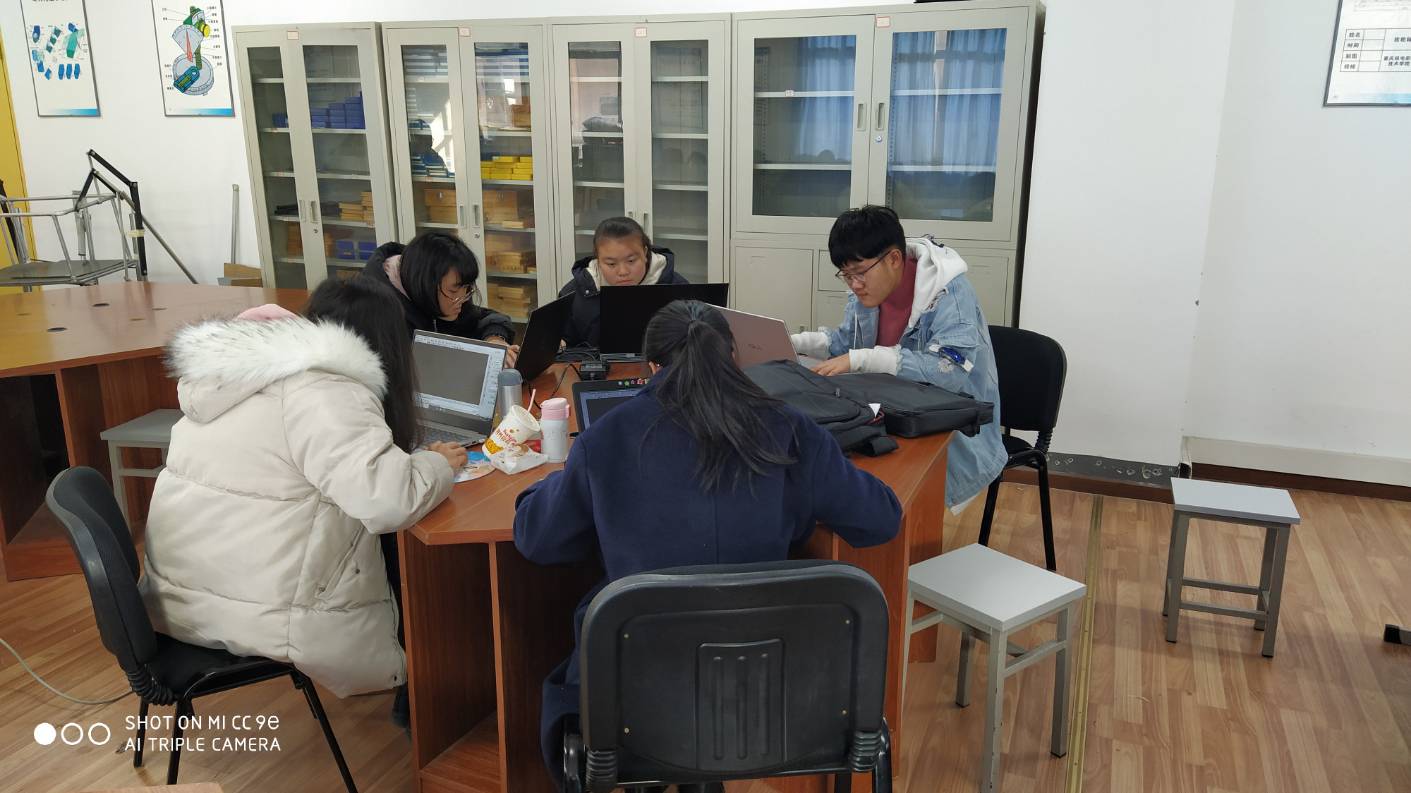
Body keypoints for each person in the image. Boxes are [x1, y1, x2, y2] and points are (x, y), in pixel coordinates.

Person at [513, 300, 902, 789]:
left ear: (651, 367)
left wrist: (555, 481)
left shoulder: (606, 439)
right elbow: (880, 520)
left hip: (637, 704)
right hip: (778, 690)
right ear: (733, 357)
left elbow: (538, 539)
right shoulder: (790, 428)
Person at [138, 277, 468, 700]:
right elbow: (389, 501)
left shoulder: (230, 380)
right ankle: (430, 701)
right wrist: (436, 464)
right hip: (265, 616)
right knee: (422, 572)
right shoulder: (325, 393)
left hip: (179, 601)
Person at [791, 205, 1006, 513]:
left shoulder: (949, 293)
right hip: (890, 411)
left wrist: (864, 359)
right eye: (846, 275)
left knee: (892, 496)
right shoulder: (868, 288)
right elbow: (847, 343)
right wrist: (797, 342)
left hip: (951, 429)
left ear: (893, 259)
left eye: (859, 272)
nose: (854, 284)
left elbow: (949, 372)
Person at [364, 230, 520, 366]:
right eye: (453, 291)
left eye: (467, 289)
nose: (462, 299)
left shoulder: (447, 293)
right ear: (425, 284)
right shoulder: (378, 316)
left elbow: (481, 318)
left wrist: (495, 340)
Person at [558, 216, 687, 348]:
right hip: (594, 361)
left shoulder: (678, 288)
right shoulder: (575, 292)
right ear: (598, 260)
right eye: (611, 264)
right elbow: (564, 340)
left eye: (631, 261)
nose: (623, 272)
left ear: (645, 253)